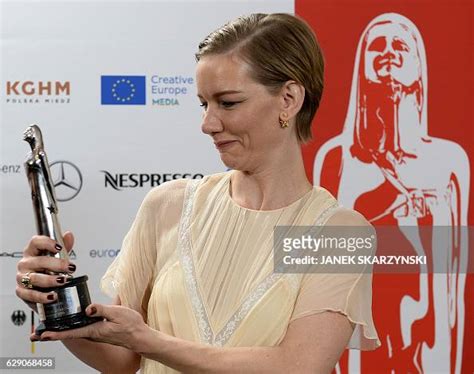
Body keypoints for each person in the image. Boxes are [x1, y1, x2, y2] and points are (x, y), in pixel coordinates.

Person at [16, 13, 380, 373]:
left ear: (288, 99)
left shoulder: (338, 233)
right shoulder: (168, 206)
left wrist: (148, 341)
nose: (208, 124)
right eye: (204, 104)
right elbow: (123, 359)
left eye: (228, 102)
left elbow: (298, 365)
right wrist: (54, 306)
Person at [313, 13, 469, 373]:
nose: (388, 54)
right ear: (362, 65)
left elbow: (457, 270)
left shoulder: (449, 161)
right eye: (376, 47)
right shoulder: (336, 158)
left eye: (400, 45)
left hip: (429, 326)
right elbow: (318, 265)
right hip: (357, 330)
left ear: (418, 65)